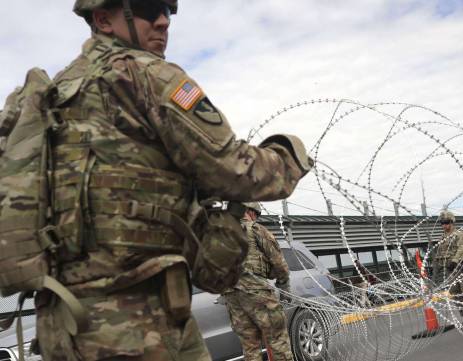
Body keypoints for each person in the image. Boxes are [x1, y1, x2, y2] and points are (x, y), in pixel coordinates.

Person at [34, 1, 313, 360]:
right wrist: (290, 156)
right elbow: (237, 171)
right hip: (138, 320)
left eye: (168, 8)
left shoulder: (53, 97)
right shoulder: (146, 75)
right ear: (103, 19)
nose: (163, 20)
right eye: (148, 8)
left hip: (63, 324)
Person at [223, 202, 294, 361]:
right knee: (277, 340)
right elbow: (279, 263)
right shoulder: (256, 229)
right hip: (256, 291)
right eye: (255, 214)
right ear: (249, 211)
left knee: (250, 346)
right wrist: (284, 286)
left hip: (232, 296)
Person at [432, 211, 463, 329]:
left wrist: (455, 261)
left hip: (462, 269)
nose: (444, 225)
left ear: (452, 222)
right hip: (450, 271)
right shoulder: (443, 238)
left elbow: (462, 248)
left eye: (446, 222)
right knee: (456, 295)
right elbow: (441, 253)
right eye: (442, 223)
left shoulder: (459, 234)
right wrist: (438, 265)